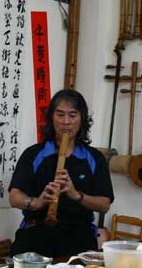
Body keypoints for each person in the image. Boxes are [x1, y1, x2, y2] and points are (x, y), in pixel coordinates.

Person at [8, 89, 114, 258]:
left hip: (79, 236)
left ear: (82, 119)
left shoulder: (94, 158)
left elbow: (104, 204)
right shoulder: (33, 154)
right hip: (35, 234)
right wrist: (38, 202)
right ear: (52, 117)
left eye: (72, 115)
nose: (66, 122)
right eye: (60, 115)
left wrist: (76, 195)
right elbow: (14, 197)